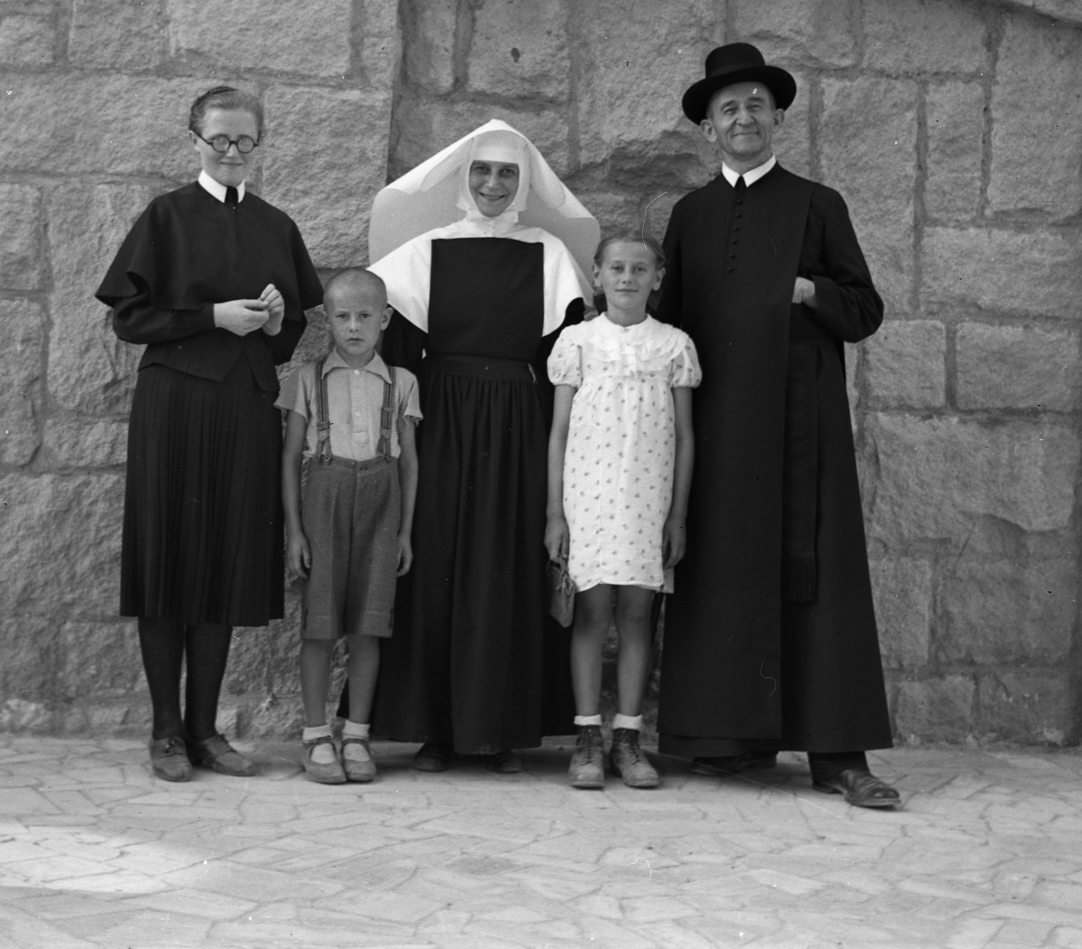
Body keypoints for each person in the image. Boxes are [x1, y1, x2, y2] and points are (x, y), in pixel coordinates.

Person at [654, 43, 900, 808]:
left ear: (779, 117)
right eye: (728, 108)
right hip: (718, 428)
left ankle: (839, 757)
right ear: (709, 128)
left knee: (817, 576)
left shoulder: (819, 204)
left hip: (802, 426)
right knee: (720, 568)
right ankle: (725, 742)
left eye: (756, 104)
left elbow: (864, 311)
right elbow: (664, 324)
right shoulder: (689, 215)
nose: (743, 118)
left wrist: (806, 289)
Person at [95, 85, 323, 783]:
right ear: (195, 140)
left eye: (244, 141)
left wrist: (274, 317)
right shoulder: (165, 216)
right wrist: (211, 317)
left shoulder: (276, 225)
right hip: (175, 406)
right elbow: (129, 322)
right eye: (218, 140)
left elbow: (287, 340)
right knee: (170, 562)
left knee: (222, 560)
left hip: (245, 408)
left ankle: (205, 732)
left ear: (260, 144)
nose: (231, 152)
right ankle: (166, 733)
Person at [363, 120, 597, 773]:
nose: (493, 185)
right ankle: (434, 731)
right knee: (436, 564)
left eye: (506, 174)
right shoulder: (425, 252)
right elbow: (402, 358)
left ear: (523, 183)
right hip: (442, 424)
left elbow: (560, 366)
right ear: (464, 178)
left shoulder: (549, 256)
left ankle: (501, 730)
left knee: (506, 566)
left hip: (518, 428)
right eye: (482, 172)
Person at [545, 230, 699, 790]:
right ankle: (588, 736)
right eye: (617, 268)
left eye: (640, 269)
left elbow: (684, 436)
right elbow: (559, 433)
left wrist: (676, 516)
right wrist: (554, 514)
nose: (628, 278)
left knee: (637, 617)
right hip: (587, 501)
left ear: (658, 278)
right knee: (589, 617)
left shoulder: (674, 345)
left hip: (647, 502)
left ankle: (629, 737)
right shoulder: (577, 342)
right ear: (598, 275)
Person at [278, 269, 421, 785]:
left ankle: (357, 733)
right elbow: (292, 457)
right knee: (320, 628)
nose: (354, 326)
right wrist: (295, 532)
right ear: (327, 320)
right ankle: (316, 736)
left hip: (382, 506)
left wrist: (404, 532)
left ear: (384, 319)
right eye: (342, 316)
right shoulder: (307, 379)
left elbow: (409, 465)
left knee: (368, 628)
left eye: (365, 316)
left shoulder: (403, 383)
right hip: (323, 504)